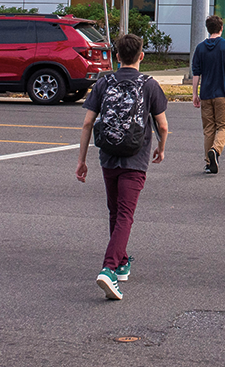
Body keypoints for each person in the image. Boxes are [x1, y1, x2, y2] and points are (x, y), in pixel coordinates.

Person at [77, 32, 169, 301]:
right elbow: (162, 125)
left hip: (108, 156)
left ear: (117, 56)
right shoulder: (149, 84)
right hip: (135, 159)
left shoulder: (104, 82)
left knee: (115, 211)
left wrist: (82, 160)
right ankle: (108, 268)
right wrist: (161, 148)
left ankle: (121, 261)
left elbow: (87, 124)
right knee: (125, 215)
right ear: (141, 56)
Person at [192, 14, 225, 174]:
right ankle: (215, 150)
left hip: (205, 93)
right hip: (223, 92)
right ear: (221, 28)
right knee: (223, 126)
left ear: (207, 29)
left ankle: (208, 163)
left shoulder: (200, 48)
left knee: (209, 128)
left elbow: (196, 73)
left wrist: (195, 94)